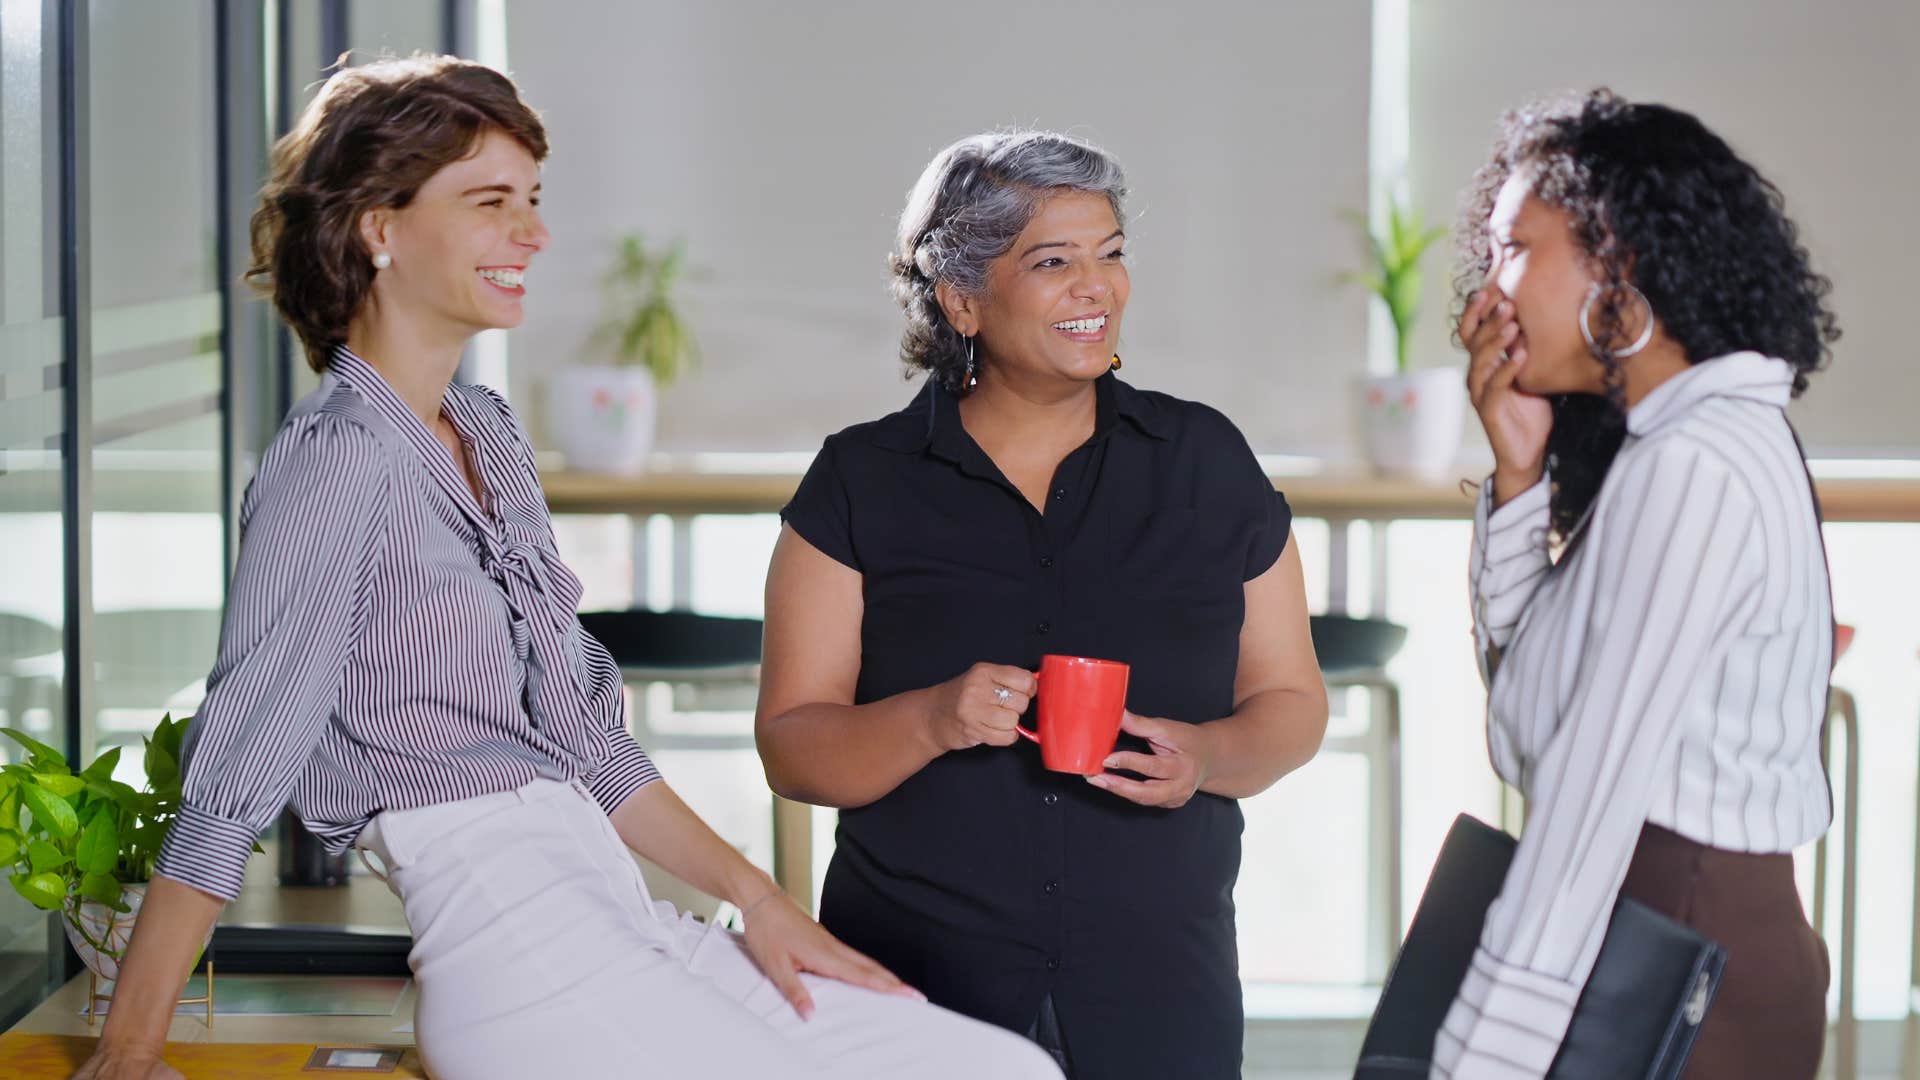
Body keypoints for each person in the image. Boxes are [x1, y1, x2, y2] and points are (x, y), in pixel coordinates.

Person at [73, 56, 1058, 1080]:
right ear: (380, 225)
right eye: (491, 202)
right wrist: (131, 1048)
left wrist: (763, 907)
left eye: (533, 201)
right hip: (524, 961)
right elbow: (235, 773)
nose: (533, 235)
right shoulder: (334, 463)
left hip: (624, 921)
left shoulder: (490, 436)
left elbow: (593, 749)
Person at [755, 130, 1330, 1080]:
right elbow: (793, 746)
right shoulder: (861, 480)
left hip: (1159, 987)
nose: (1096, 287)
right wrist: (933, 718)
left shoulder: (1205, 461)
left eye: (1110, 255)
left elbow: (1292, 703)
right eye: (1054, 262)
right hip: (920, 992)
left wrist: (1210, 758)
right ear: (962, 299)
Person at [1444, 88, 1837, 1079]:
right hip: (1659, 928)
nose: (1488, 295)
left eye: (1517, 248)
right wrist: (1521, 479)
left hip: (1678, 948)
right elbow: (1531, 708)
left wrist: (1476, 1058)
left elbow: (1587, 794)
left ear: (1619, 259)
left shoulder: (1694, 464)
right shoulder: (1677, 446)